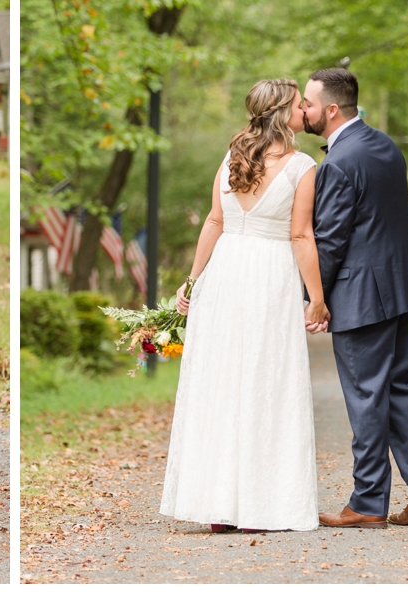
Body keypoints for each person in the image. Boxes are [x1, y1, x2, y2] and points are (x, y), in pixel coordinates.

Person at [160, 78, 330, 533]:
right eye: (298, 105)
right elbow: (300, 236)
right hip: (269, 276)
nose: (304, 111)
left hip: (226, 272)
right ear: (282, 113)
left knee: (221, 383)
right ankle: (259, 506)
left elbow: (215, 221)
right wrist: (317, 298)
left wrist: (193, 281)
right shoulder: (301, 166)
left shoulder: (231, 157)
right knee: (265, 382)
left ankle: (219, 506)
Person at [302, 67, 408, 529]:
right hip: (404, 289)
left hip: (363, 297)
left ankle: (367, 502)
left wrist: (314, 298)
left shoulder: (339, 163)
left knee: (367, 396)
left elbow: (331, 240)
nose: (301, 110)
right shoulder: (385, 146)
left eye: (306, 103)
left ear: (330, 109)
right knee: (400, 388)